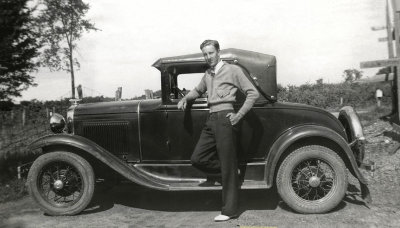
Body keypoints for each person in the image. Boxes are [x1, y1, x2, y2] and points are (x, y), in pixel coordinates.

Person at [177, 40, 260, 222]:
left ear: (218, 52)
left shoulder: (233, 70)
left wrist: (238, 115)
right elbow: (197, 90)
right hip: (211, 119)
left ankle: (230, 211)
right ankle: (231, 173)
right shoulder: (207, 73)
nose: (208, 57)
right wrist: (185, 99)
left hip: (226, 119)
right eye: (205, 54)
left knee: (227, 163)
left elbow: (253, 93)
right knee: (197, 159)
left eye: (211, 53)